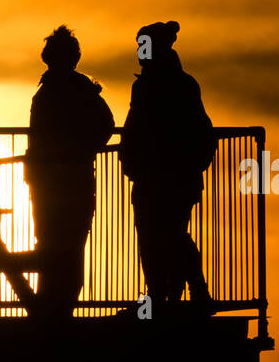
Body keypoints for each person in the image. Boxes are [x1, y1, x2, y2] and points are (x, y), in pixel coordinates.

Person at [120, 20, 216, 312]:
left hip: (163, 178)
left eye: (144, 46)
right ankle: (166, 296)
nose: (140, 52)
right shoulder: (181, 83)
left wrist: (134, 159)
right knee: (162, 236)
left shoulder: (155, 86)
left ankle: (186, 293)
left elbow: (138, 128)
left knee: (165, 235)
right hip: (171, 178)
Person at [24, 26, 114, 319]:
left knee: (52, 244)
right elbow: (105, 126)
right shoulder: (82, 90)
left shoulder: (50, 91)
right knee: (69, 246)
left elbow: (102, 126)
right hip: (72, 180)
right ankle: (57, 308)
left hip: (52, 182)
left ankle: (51, 308)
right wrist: (83, 149)